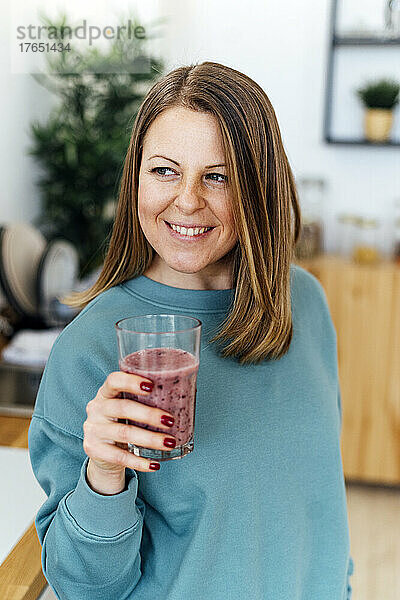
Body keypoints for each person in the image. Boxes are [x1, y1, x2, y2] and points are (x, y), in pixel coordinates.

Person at [28, 61, 354, 599]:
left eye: (217, 176)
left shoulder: (305, 305)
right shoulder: (89, 349)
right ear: (136, 176)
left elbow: (317, 506)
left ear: (258, 188)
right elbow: (83, 588)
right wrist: (103, 476)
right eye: (164, 170)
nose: (186, 200)